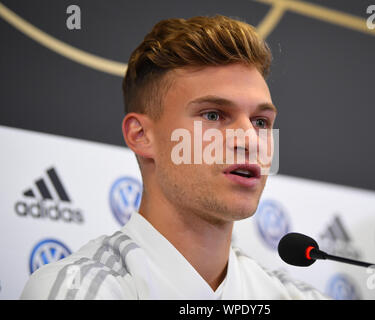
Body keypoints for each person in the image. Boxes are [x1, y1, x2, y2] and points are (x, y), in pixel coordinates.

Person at [20, 15, 328, 300]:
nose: (250, 139)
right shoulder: (81, 290)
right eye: (214, 115)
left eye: (261, 122)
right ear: (141, 136)